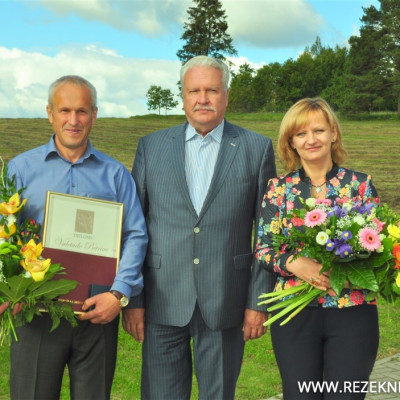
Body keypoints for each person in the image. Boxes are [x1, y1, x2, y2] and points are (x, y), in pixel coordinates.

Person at [122, 55, 277, 400]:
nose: (202, 98)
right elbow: (133, 228)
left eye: (211, 90)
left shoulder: (256, 148)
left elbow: (268, 233)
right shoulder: (151, 147)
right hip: (162, 300)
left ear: (226, 95)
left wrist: (258, 301)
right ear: (182, 96)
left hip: (227, 300)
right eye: (194, 90)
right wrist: (134, 298)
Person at [7, 75, 148, 400]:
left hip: (97, 311)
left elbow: (136, 236)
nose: (74, 120)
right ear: (50, 113)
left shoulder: (115, 175)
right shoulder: (20, 170)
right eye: (65, 110)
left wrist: (119, 294)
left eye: (82, 111)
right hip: (35, 313)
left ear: (94, 115)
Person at [255, 97, 379, 400]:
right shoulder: (278, 189)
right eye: (301, 134)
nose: (311, 140)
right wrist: (296, 263)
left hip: (352, 312)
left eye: (319, 130)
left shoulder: (359, 186)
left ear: (333, 133)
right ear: (291, 142)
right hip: (294, 314)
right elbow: (263, 249)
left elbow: (377, 246)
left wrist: (345, 271)